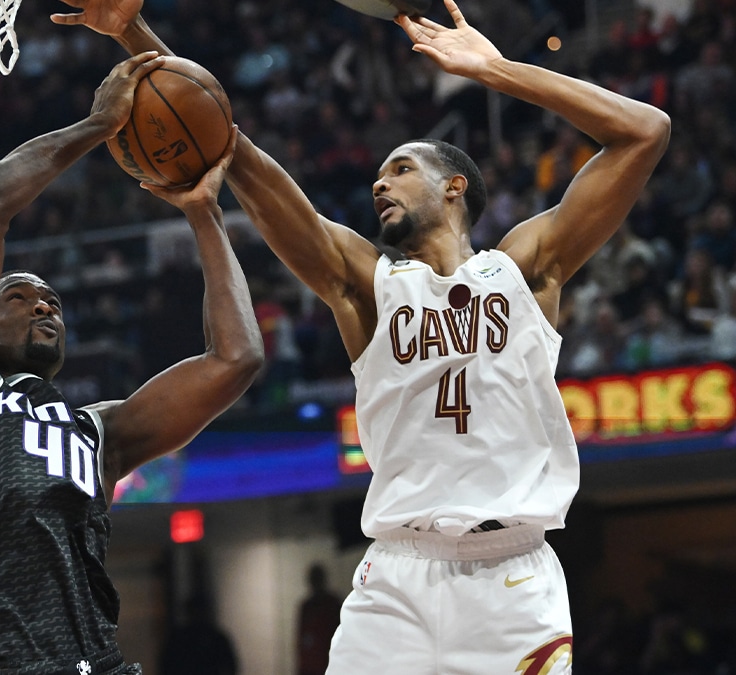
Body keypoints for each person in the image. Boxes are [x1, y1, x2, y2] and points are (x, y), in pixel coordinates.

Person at [54, 0, 670, 672]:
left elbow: (644, 131)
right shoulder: (368, 285)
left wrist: (496, 70)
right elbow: (219, 134)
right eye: (379, 172)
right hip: (398, 580)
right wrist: (132, 35)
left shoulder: (525, 267)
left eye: (402, 167)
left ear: (455, 186)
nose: (380, 180)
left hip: (514, 578)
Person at [0, 52, 262, 675]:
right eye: (18, 296)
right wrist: (99, 126)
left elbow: (235, 358)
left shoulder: (97, 433)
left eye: (53, 301)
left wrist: (201, 211)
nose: (44, 304)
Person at [295, 564, 341, 675]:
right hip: (313, 666)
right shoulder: (307, 607)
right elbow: (302, 641)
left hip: (327, 664)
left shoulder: (333, 604)